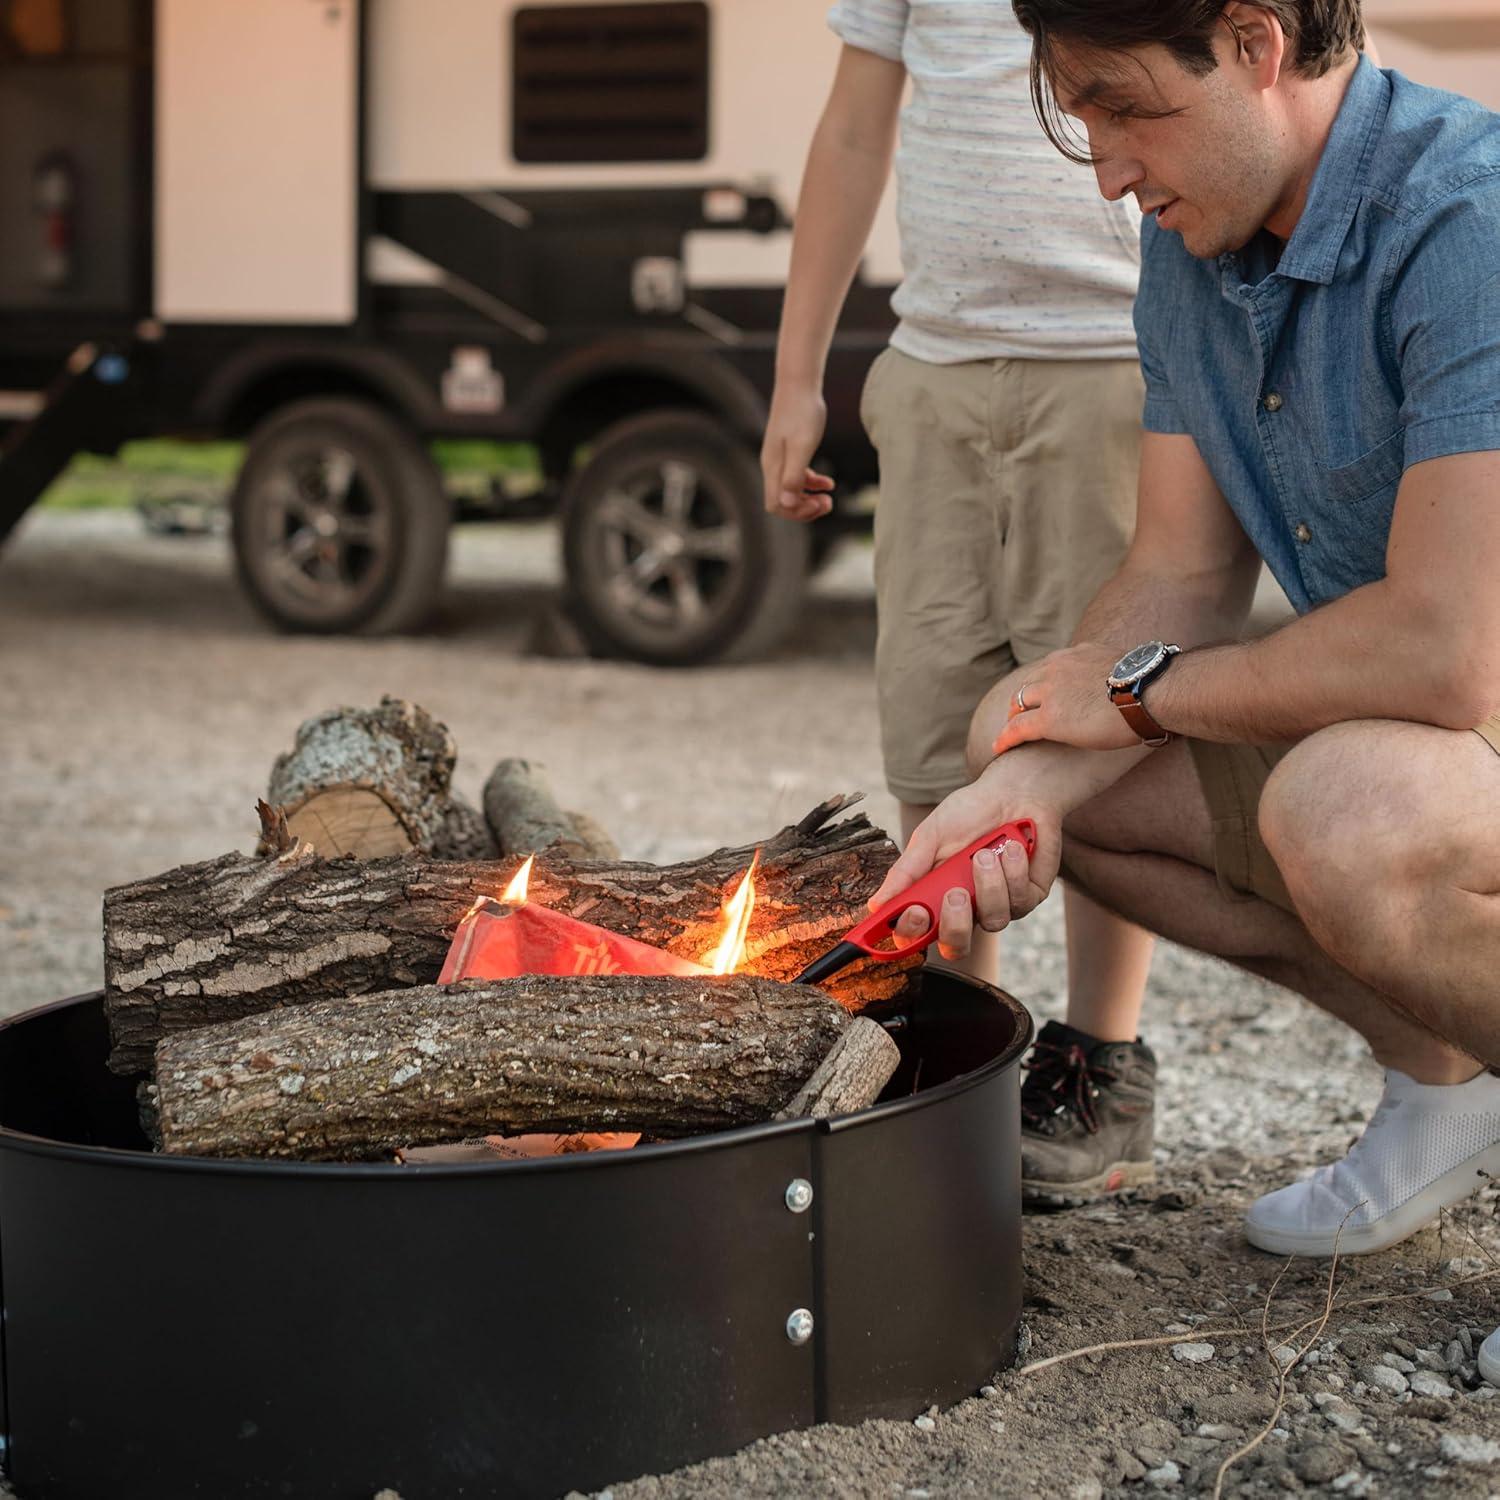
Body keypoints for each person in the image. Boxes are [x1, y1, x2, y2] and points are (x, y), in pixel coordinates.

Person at [870, 0, 1500, 1380]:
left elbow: (1449, 654)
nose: (1102, 168)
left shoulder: (1470, 217)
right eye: (1075, 117)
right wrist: (1010, 794)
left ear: (1257, 43)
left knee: (1353, 815)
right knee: (1022, 741)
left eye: (1124, 106)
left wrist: (1146, 693)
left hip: (1465, 707)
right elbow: (1173, 574)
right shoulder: (1192, 242)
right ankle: (1445, 1082)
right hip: (1460, 739)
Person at [763, 1, 1160, 1203]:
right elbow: (850, 132)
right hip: (934, 367)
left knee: (1089, 723)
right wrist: (796, 377)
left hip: (1109, 358)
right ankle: (967, 1044)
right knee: (936, 733)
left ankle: (1101, 1059)